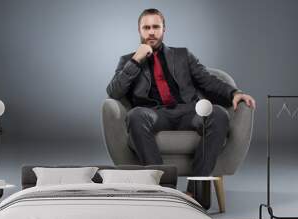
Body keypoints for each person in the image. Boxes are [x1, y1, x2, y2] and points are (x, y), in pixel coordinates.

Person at [106, 8, 255, 197]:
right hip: (153, 113)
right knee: (136, 115)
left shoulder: (182, 55)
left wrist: (234, 92)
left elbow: (206, 80)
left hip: (189, 111)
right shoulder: (128, 60)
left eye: (156, 27)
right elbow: (114, 91)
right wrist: (136, 60)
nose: (151, 32)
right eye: (146, 27)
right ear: (139, 31)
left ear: (163, 29)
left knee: (218, 114)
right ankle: (165, 190)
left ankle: (197, 192)